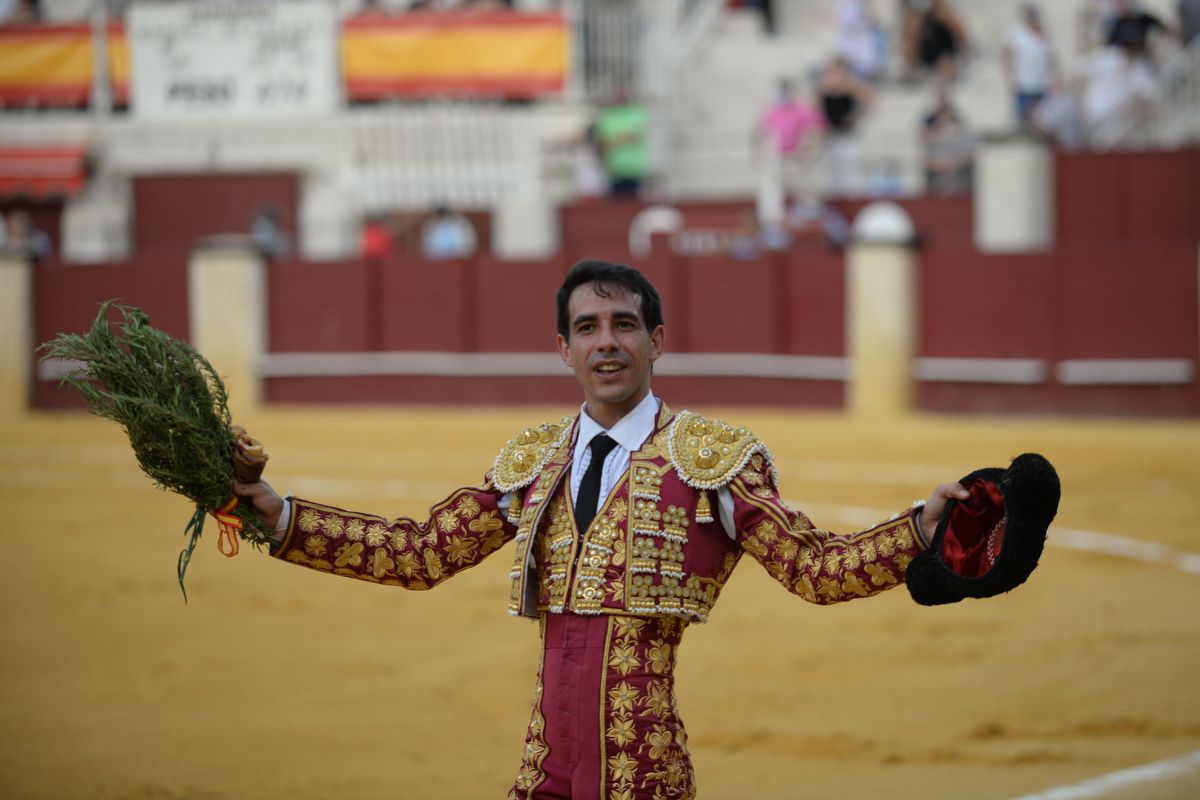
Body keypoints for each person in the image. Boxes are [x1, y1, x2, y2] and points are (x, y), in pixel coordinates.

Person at [232, 259, 973, 799]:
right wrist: (280, 515)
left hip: (643, 775)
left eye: (624, 325)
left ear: (657, 340)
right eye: (587, 328)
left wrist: (920, 527)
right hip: (543, 773)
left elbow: (816, 569)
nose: (607, 342)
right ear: (564, 350)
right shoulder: (533, 464)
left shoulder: (710, 459)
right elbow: (422, 554)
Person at [754, 77, 824, 226]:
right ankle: (772, 218)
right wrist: (760, 153)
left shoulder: (802, 110)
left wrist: (810, 150)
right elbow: (762, 133)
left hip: (798, 159)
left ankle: (809, 218)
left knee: (806, 191)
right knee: (770, 186)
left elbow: (816, 130)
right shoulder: (770, 111)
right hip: (778, 159)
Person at [1004, 4, 1058, 127]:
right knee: (1024, 118)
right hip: (1024, 83)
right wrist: (1010, 77)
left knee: (1044, 119)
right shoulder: (1016, 33)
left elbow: (1052, 58)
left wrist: (1054, 77)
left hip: (1042, 84)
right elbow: (1007, 55)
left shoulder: (1045, 34)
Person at [594, 91, 649, 198]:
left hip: (633, 168)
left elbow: (633, 136)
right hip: (614, 168)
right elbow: (601, 142)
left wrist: (611, 142)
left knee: (632, 200)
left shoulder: (635, 113)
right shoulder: (608, 116)